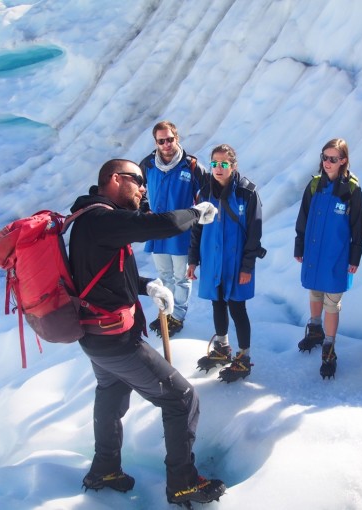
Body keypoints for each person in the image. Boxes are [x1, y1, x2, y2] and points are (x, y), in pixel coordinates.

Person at [68, 159, 225, 506]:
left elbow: (101, 277)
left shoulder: (89, 220)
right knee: (182, 399)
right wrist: (195, 213)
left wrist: (147, 285)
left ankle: (105, 468)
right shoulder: (101, 218)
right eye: (137, 180)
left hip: (95, 336)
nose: (143, 188)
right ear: (113, 179)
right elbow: (162, 224)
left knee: (110, 395)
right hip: (115, 340)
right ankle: (183, 482)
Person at [188, 144, 264, 383]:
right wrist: (193, 260)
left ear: (233, 166)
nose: (218, 169)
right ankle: (223, 347)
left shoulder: (246, 193)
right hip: (212, 258)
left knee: (237, 308)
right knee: (217, 303)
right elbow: (196, 229)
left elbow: (254, 233)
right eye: (214, 164)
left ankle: (243, 357)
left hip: (235, 262)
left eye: (223, 164)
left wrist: (247, 267)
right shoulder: (204, 193)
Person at [294, 138, 362, 379]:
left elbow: (358, 226)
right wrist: (299, 245)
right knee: (314, 291)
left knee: (332, 302)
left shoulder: (352, 190)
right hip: (314, 250)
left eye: (333, 159)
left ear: (343, 160)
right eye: (324, 157)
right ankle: (315, 329)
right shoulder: (314, 185)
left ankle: (330, 346)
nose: (327, 163)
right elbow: (303, 218)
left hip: (337, 254)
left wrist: (355, 256)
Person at [139, 120, 205, 337]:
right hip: (157, 230)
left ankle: (177, 316)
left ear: (177, 138)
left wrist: (199, 218)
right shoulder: (148, 164)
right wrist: (143, 209)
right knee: (164, 275)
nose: (166, 144)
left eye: (170, 139)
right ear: (156, 142)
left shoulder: (191, 166)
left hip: (181, 231)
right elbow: (138, 190)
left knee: (181, 277)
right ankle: (166, 312)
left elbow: (207, 195)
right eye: (161, 141)